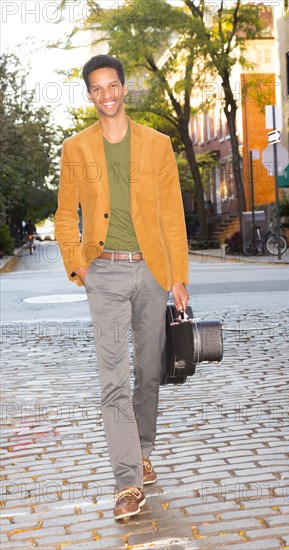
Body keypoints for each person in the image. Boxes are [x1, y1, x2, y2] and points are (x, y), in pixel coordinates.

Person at [55, 55, 189, 520]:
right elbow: (63, 214)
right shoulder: (75, 147)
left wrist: (178, 278)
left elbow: (172, 215)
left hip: (151, 271)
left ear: (124, 89)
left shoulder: (157, 144)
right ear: (90, 95)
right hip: (105, 274)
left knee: (148, 373)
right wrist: (80, 267)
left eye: (113, 85)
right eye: (97, 88)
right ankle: (128, 482)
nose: (106, 94)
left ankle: (144, 449)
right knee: (113, 381)